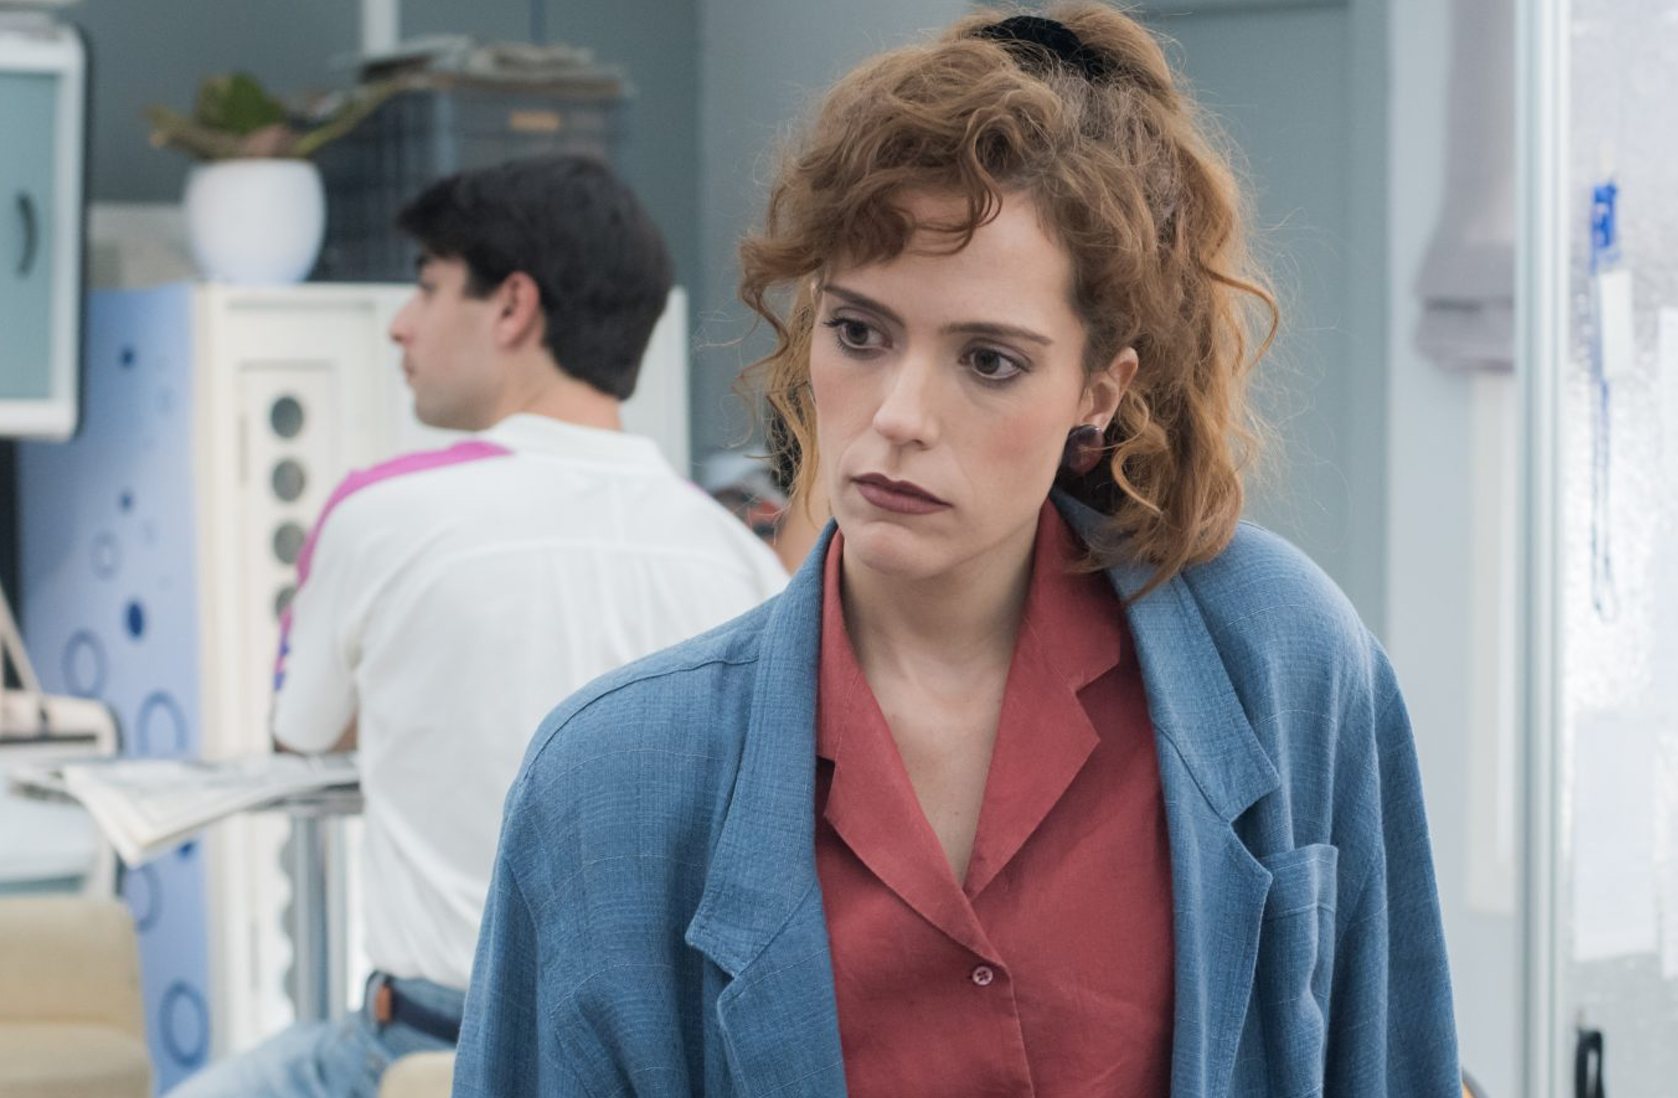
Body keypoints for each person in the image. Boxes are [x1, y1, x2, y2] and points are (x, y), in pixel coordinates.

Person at [457, 9, 1460, 1096]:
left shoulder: (1277, 656)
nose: (899, 416)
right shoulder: (609, 782)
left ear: (1098, 389)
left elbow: (1392, 1057)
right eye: (858, 332)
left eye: (987, 361)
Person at [169, 154, 788, 1096]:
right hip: (661, 1058)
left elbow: (303, 733)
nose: (401, 323)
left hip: (432, 1048)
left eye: (427, 287)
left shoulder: (381, 512)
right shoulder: (738, 559)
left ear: (512, 307)